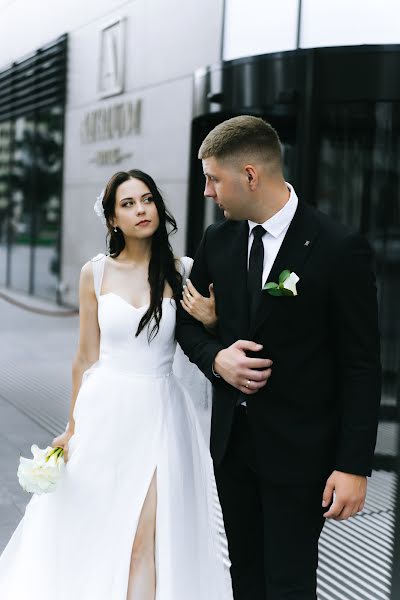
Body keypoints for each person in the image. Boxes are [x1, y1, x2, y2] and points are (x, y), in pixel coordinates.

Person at [0, 169, 233, 600]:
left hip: (161, 413)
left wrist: (213, 320)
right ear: (112, 220)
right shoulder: (96, 273)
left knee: (144, 539)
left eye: (147, 199)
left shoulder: (183, 270)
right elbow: (85, 357)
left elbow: (204, 335)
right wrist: (72, 428)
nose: (141, 209)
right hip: (105, 413)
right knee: (98, 526)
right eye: (127, 204)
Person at [176, 116, 381, 600]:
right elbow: (185, 322)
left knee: (288, 585)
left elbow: (361, 365)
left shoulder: (337, 247)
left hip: (302, 454)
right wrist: (216, 357)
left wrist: (354, 466)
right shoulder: (218, 241)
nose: (207, 192)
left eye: (213, 179)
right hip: (233, 450)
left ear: (250, 175)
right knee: (245, 578)